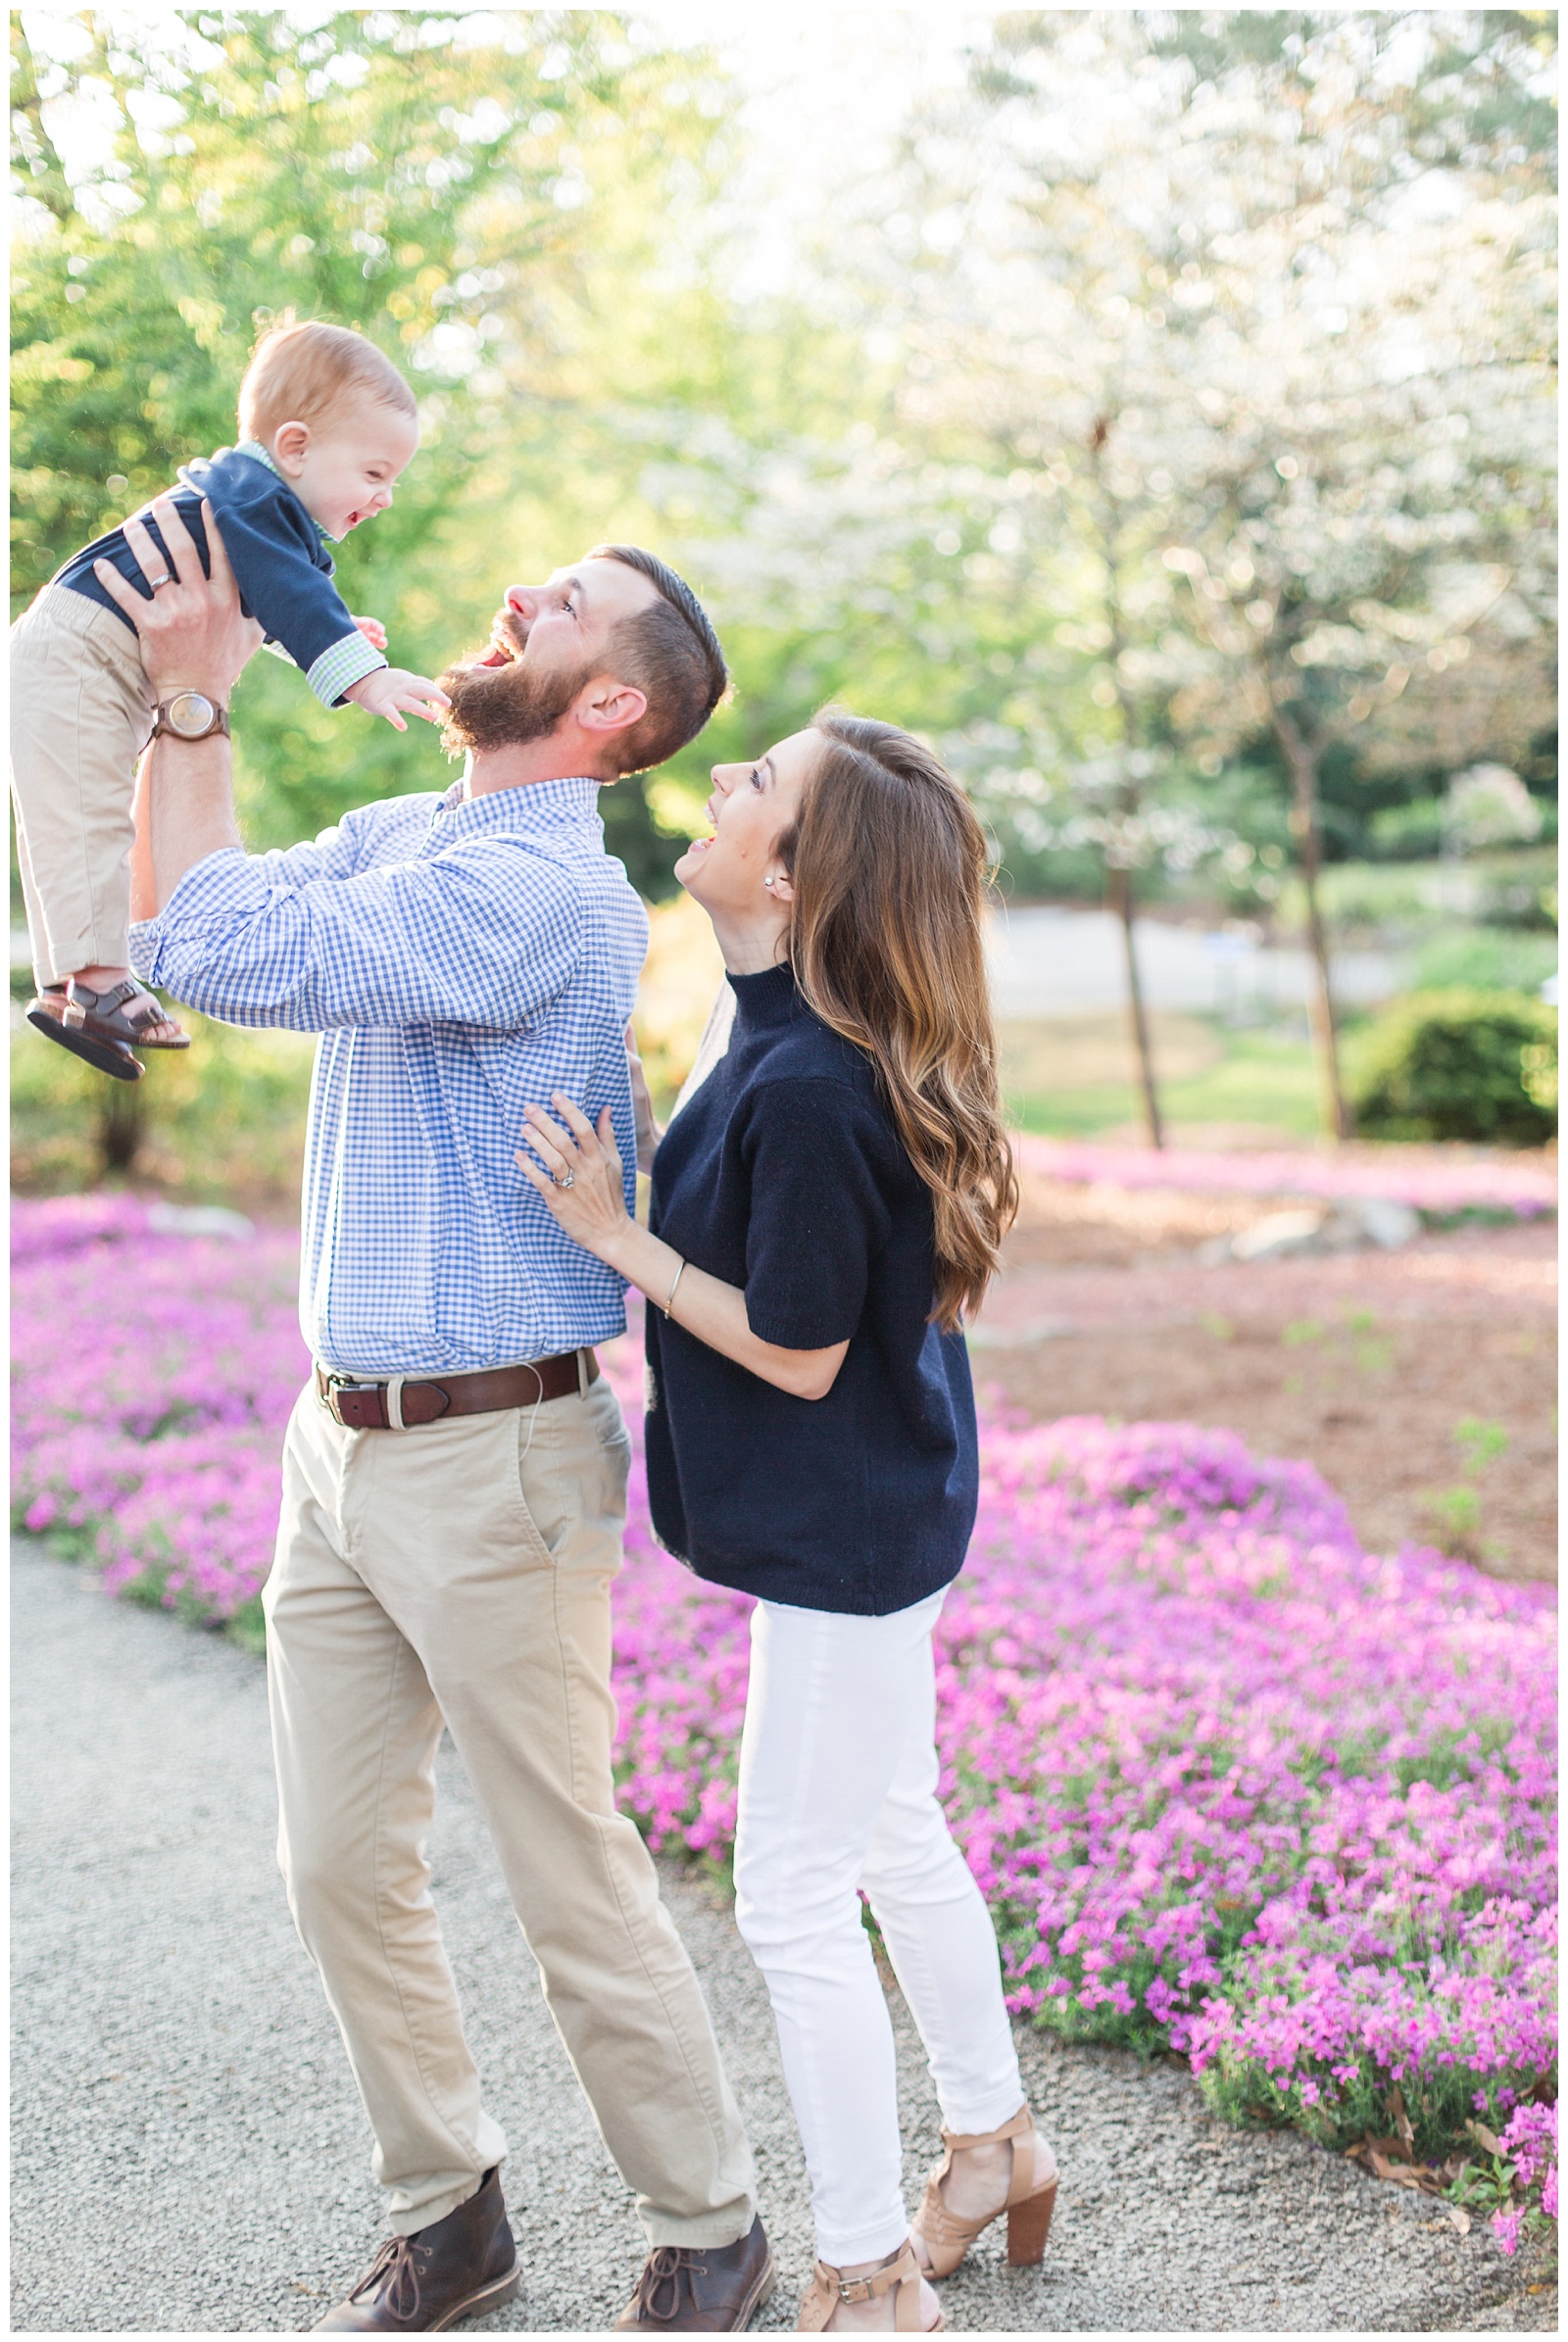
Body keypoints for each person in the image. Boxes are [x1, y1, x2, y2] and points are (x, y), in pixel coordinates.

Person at [101, 494, 773, 2335]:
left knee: (567, 1876)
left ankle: (712, 2228)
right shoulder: (421, 830)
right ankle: (450, 2209)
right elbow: (186, 922)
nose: (515, 589)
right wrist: (177, 723)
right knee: (335, 1864)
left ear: (612, 710)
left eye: (563, 601)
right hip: (341, 1450)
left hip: (496, 1461)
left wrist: (191, 711)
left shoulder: (534, 892)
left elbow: (214, 950)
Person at [517, 716, 1060, 2333]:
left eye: (752, 786)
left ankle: (869, 2265)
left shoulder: (814, 1080)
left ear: (793, 873)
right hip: (874, 1520)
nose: (715, 790)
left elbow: (805, 1346)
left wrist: (622, 1241)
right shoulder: (774, 1030)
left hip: (846, 1539)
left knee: (792, 1896)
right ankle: (993, 2147)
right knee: (894, 1825)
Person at [11, 317, 447, 1082]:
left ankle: (76, 991)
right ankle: (95, 983)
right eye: (375, 473)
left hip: (94, 657)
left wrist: (330, 629)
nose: (384, 498)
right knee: (85, 817)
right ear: (296, 446)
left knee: (88, 817)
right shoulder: (253, 495)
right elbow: (287, 590)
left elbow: (263, 594)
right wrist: (361, 673)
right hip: (78, 651)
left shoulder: (252, 511)